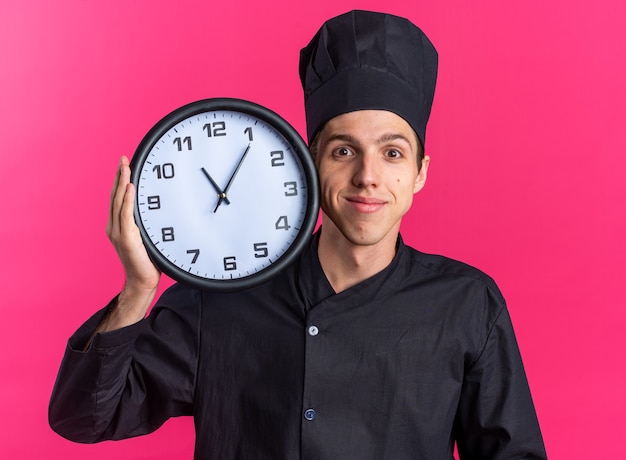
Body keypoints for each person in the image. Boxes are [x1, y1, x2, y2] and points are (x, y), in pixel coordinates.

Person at [49, 10, 547, 460]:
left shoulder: (466, 304)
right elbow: (83, 418)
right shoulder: (219, 300)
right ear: (307, 163)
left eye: (392, 153)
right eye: (344, 151)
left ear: (419, 173)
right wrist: (137, 290)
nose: (368, 177)